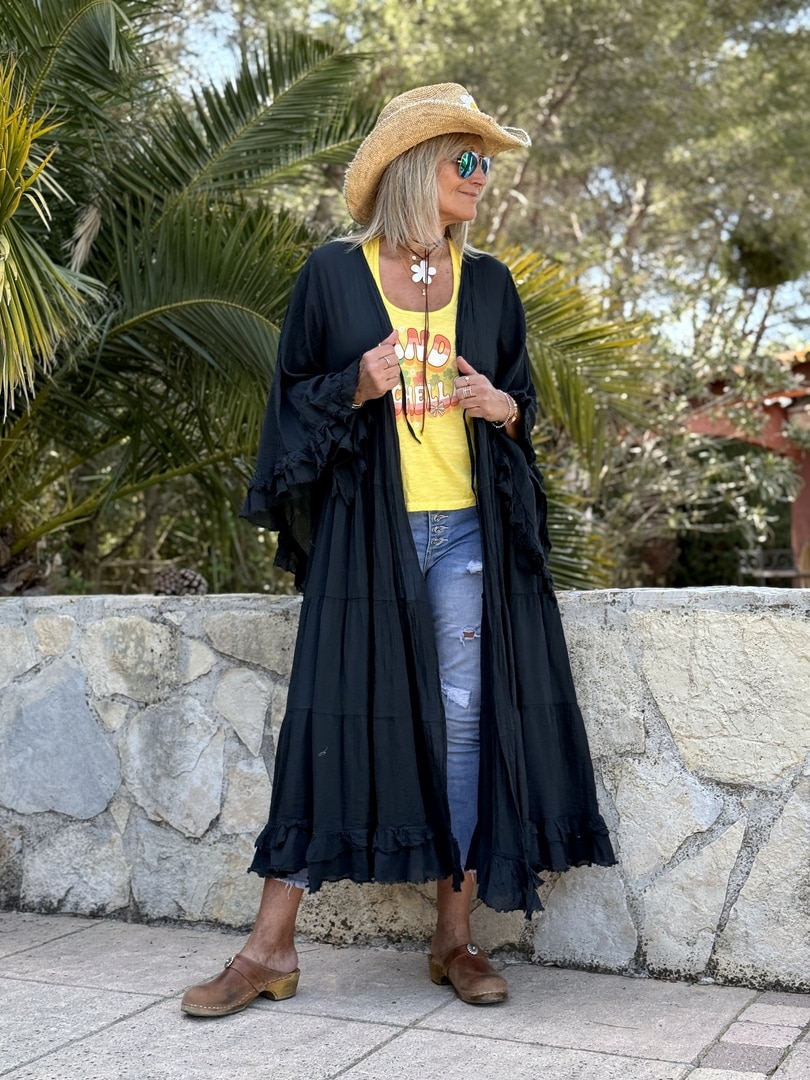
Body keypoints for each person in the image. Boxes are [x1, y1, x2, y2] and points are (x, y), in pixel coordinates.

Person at [181, 82, 615, 1017]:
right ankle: (268, 950)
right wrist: (355, 384)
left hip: (466, 535)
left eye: (487, 162)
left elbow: (524, 410)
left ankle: (454, 939)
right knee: (327, 716)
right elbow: (288, 408)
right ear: (419, 165)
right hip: (367, 535)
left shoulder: (490, 284)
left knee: (465, 725)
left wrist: (500, 407)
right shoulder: (334, 276)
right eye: (470, 159)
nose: (484, 176)